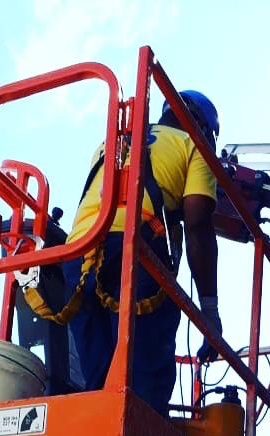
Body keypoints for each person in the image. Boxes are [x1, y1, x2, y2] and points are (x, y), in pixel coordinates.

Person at [60, 89, 222, 417]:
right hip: (133, 255)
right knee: (146, 379)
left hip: (77, 257)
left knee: (100, 383)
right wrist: (210, 311)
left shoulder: (112, 142)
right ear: (204, 129)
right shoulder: (194, 147)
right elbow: (198, 226)